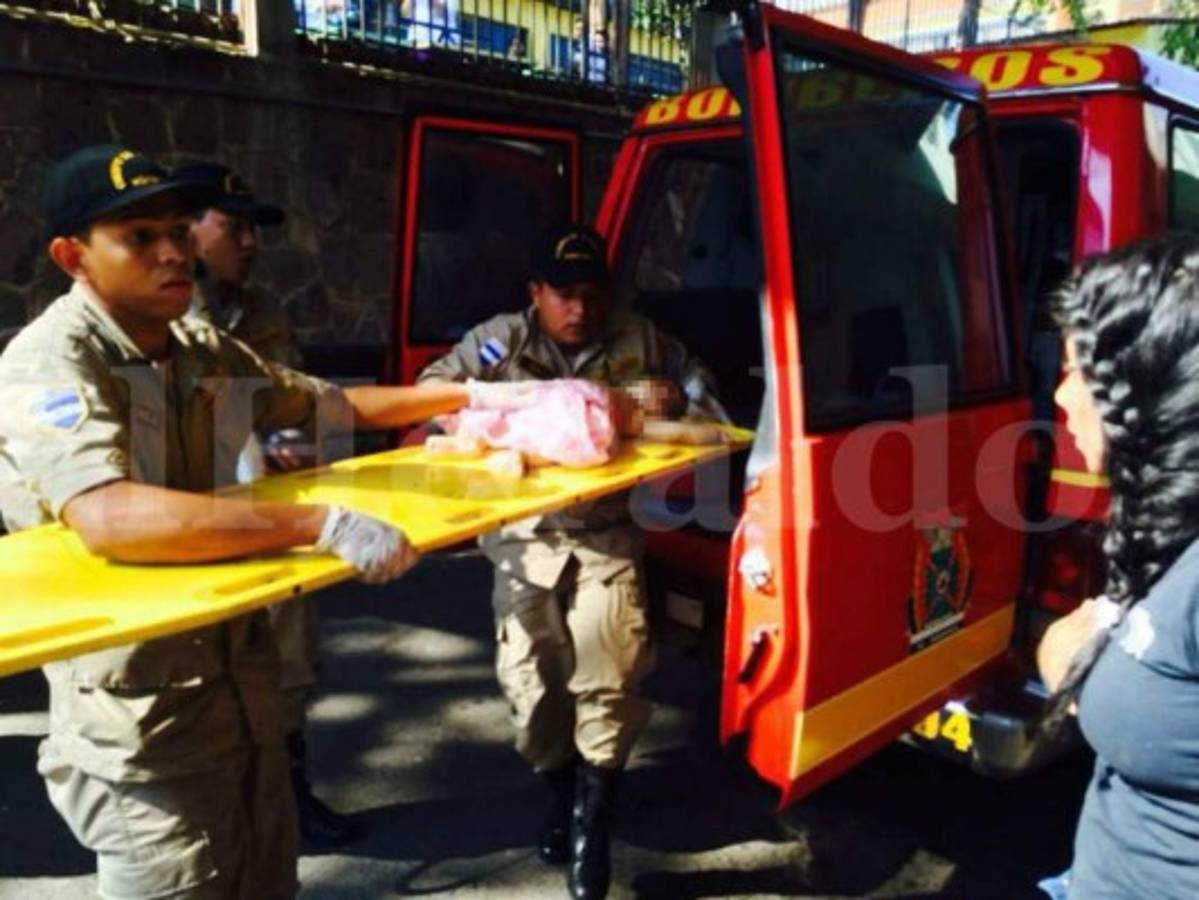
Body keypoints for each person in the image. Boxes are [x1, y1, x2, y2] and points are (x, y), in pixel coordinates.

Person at [0, 144, 476, 898]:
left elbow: (324, 404)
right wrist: (320, 523)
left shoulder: (195, 345)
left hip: (240, 696)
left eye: (179, 232)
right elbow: (109, 515)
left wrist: (468, 400)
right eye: (139, 238)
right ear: (72, 256)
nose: (172, 253)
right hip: (144, 724)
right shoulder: (50, 363)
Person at [418, 224, 725, 900]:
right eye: (563, 294)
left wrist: (666, 402)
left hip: (606, 536)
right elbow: (432, 392)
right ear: (536, 293)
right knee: (531, 696)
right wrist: (508, 409)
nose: (579, 310)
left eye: (590, 295)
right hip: (523, 541)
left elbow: (702, 390)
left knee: (608, 679)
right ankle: (560, 791)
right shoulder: (502, 340)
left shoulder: (637, 338)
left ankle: (592, 828)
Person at [176, 161, 357, 846]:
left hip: (274, 524)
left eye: (254, 227)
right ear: (187, 231)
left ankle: (290, 797)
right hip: (190, 533)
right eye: (234, 225)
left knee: (287, 666)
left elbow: (295, 404)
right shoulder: (159, 322)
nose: (250, 242)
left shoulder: (260, 312)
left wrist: (288, 440)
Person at [1037, 233, 1199, 900]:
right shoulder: (1172, 523)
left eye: (1079, 371)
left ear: (1151, 383)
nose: (1059, 396)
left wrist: (1075, 665)